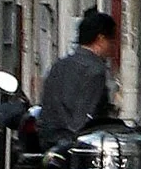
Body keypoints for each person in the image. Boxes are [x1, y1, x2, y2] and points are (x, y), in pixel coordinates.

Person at [34, 12, 119, 150]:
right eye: (112, 40)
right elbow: (84, 117)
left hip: (48, 141)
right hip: (73, 147)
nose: (113, 47)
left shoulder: (59, 65)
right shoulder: (95, 71)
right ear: (101, 39)